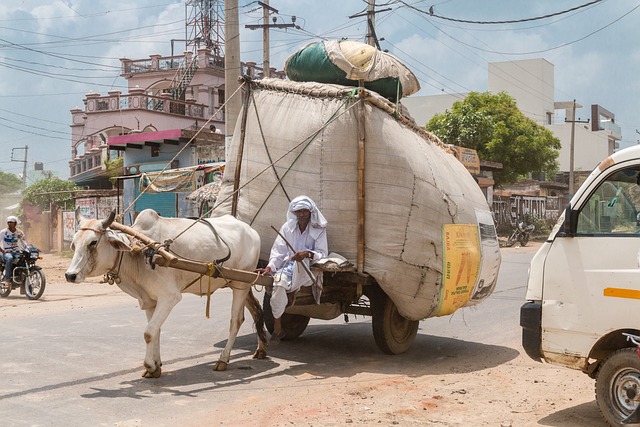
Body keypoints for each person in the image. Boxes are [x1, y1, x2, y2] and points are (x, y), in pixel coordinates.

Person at [260, 196, 328, 345]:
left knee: (297, 267)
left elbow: (323, 254)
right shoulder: (287, 228)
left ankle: (291, 291)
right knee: (278, 285)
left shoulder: (319, 229)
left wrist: (307, 254)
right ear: (294, 213)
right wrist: (269, 267)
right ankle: (277, 328)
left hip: (308, 269)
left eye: (305, 211)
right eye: (299, 211)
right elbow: (278, 253)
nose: (302, 214)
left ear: (310, 212)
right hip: (287, 267)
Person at [1, 215, 28, 291]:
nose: (9, 224)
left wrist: (28, 248)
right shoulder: (4, 232)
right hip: (7, 252)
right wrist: (3, 251)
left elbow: (24, 242)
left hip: (16, 251)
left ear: (15, 223)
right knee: (9, 258)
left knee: (25, 260)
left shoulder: (19, 232)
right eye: (8, 222)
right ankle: (7, 279)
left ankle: (24, 285)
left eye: (11, 222)